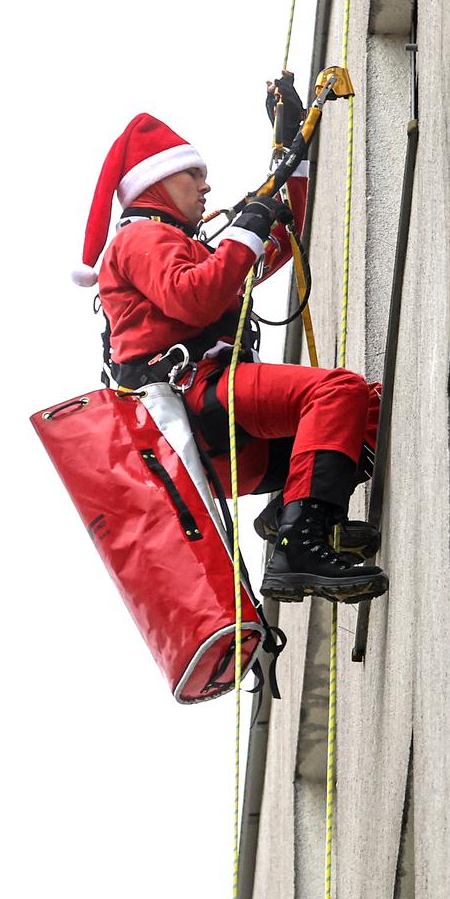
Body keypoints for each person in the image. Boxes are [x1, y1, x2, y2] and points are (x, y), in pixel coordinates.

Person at [73, 74, 388, 603]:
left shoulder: (181, 245)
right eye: (193, 173)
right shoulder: (139, 238)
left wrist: (292, 152)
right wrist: (249, 227)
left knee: (364, 409)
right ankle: (299, 545)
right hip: (198, 402)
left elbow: (281, 241)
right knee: (336, 392)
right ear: (156, 183)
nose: (205, 186)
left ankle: (298, 511)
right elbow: (196, 296)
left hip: (223, 414)